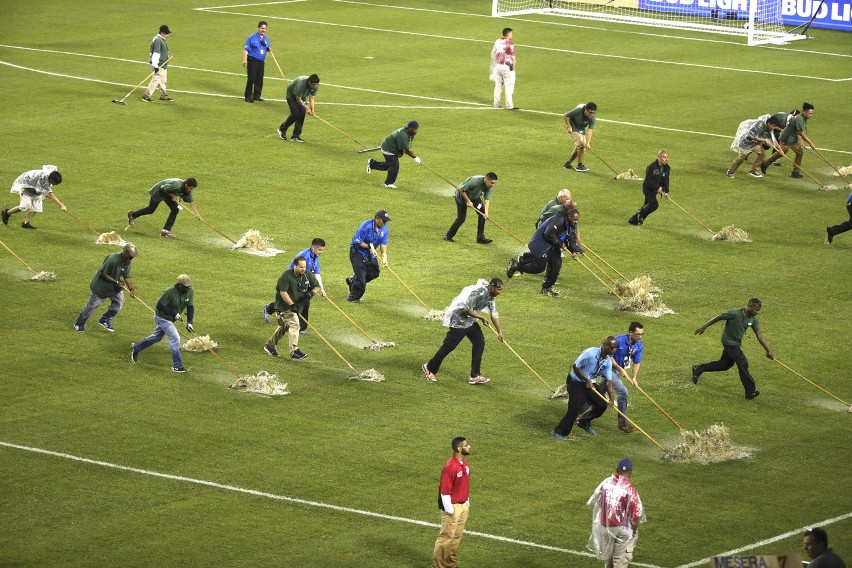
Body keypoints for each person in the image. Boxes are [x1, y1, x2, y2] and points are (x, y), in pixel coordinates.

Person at [422, 278, 504, 385]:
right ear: (492, 287)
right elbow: (467, 309)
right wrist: (481, 318)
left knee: (479, 342)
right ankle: (430, 368)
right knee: (449, 346)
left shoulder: (491, 297)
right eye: (499, 289)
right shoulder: (478, 292)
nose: (500, 292)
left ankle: (475, 375)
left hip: (470, 321)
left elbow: (494, 313)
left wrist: (500, 331)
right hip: (458, 320)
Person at [692, 298, 774, 400]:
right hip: (729, 342)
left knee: (725, 364)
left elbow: (759, 334)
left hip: (736, 343)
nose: (757, 312)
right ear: (750, 306)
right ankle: (750, 392)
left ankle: (699, 368)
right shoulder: (734, 313)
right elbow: (719, 317)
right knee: (743, 363)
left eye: (758, 311)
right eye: (756, 310)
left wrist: (768, 350)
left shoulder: (753, 318)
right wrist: (704, 327)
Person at [507, 206, 582, 297]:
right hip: (542, 243)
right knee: (539, 268)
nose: (576, 222)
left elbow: (571, 238)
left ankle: (546, 287)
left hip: (553, 245)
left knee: (556, 266)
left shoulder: (571, 224)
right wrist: (560, 243)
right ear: (569, 217)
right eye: (574, 220)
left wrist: (573, 251)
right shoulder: (559, 220)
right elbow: (548, 233)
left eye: (577, 220)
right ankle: (516, 266)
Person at [551, 337, 617, 440]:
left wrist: (611, 398)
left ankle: (584, 421)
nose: (614, 350)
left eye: (615, 348)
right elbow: (575, 366)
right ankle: (559, 432)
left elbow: (608, 382)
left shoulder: (607, 361)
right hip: (575, 381)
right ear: (605, 346)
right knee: (575, 407)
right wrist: (586, 380)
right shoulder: (590, 353)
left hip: (590, 383)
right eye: (612, 348)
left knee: (602, 405)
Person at [586, 458, 645, 568]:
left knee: (608, 561)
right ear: (631, 472)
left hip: (605, 527)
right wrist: (634, 530)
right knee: (620, 562)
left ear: (617, 469)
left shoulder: (606, 483)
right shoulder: (630, 490)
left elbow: (596, 498)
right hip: (623, 530)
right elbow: (636, 515)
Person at [131, 274, 195, 373]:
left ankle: (136, 347)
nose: (188, 288)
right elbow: (160, 306)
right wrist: (174, 313)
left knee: (157, 337)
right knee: (175, 338)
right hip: (162, 317)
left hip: (171, 319)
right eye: (186, 287)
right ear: (179, 285)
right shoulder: (169, 292)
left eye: (189, 286)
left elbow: (190, 307)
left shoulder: (190, 292)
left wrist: (190, 322)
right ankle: (177, 366)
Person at [263, 238, 326, 334]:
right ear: (313, 248)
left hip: (303, 280)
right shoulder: (304, 256)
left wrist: (321, 289)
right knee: (288, 302)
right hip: (292, 280)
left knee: (305, 302)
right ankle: (269, 308)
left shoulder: (315, 257)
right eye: (320, 250)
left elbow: (317, 274)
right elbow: (294, 271)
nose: (321, 252)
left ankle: (302, 328)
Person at [263, 256, 320, 360]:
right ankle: (294, 351)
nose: (303, 269)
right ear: (295, 266)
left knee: (285, 325)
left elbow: (317, 286)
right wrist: (291, 304)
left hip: (298, 305)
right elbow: (283, 292)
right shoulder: (286, 276)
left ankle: (270, 345)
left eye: (304, 267)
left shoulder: (307, 275)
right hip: (284, 305)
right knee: (295, 324)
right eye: (301, 267)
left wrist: (312, 293)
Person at [74, 243, 138, 333]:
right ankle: (79, 323)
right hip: (101, 287)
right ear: (125, 252)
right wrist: (116, 282)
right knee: (91, 307)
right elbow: (103, 274)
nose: (132, 258)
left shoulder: (127, 262)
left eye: (133, 256)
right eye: (131, 255)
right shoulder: (113, 259)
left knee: (118, 303)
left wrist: (131, 289)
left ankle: (104, 319)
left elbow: (126, 276)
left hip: (115, 288)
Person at [432, 437, 473, 568]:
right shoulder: (450, 466)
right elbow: (444, 490)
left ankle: (450, 564)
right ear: (459, 448)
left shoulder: (464, 464)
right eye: (467, 445)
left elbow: (463, 485)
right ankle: (438, 566)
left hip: (463, 506)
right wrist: (450, 509)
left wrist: (466, 501)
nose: (469, 447)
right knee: (445, 538)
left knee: (456, 538)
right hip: (453, 507)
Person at [127, 177, 201, 239]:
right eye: (190, 188)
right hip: (159, 192)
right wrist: (172, 196)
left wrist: (197, 214)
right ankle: (132, 215)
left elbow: (192, 203)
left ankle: (165, 231)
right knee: (150, 210)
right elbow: (162, 187)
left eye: (192, 189)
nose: (191, 190)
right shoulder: (177, 185)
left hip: (169, 194)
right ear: (186, 185)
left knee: (175, 209)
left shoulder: (187, 191)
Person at [605, 322, 645, 434]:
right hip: (608, 369)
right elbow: (609, 357)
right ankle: (623, 424)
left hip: (618, 371)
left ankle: (577, 413)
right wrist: (619, 368)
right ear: (630, 333)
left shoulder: (638, 345)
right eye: (638, 334)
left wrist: (634, 377)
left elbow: (637, 362)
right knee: (623, 392)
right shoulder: (618, 341)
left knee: (598, 392)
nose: (640, 337)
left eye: (642, 334)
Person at [761, 102, 816, 178]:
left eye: (811, 114)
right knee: (781, 153)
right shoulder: (799, 119)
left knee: (800, 152)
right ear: (804, 112)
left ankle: (795, 172)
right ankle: (765, 164)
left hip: (793, 138)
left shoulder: (804, 118)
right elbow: (802, 133)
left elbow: (799, 132)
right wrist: (810, 143)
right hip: (786, 138)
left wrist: (801, 141)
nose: (811, 115)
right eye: (809, 113)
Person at [346, 210, 390, 303]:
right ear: (377, 218)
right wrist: (369, 247)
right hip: (357, 252)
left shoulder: (384, 228)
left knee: (374, 272)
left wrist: (384, 256)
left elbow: (383, 243)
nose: (385, 223)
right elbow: (357, 241)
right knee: (361, 279)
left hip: (370, 253)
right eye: (384, 220)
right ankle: (353, 297)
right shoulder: (366, 226)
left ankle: (352, 280)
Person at [444, 172, 497, 244]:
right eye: (492, 183)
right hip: (461, 197)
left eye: (494, 183)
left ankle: (480, 238)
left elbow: (486, 200)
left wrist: (486, 213)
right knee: (461, 218)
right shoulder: (475, 181)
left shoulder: (489, 187)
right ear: (486, 180)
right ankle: (448, 236)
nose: (493, 185)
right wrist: (468, 201)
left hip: (474, 197)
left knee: (482, 214)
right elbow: (461, 190)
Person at [726, 114, 784, 178]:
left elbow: (774, 141)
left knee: (762, 155)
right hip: (746, 143)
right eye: (773, 126)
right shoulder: (759, 125)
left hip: (755, 144)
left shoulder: (771, 130)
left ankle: (753, 171)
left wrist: (780, 150)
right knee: (741, 159)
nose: (773, 128)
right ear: (768, 123)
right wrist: (764, 140)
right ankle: (730, 172)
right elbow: (751, 136)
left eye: (775, 127)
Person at [366, 121, 420, 189]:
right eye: (414, 129)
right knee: (394, 167)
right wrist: (415, 157)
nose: (415, 131)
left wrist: (404, 149)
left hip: (392, 147)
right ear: (409, 128)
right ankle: (388, 183)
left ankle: (372, 164)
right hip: (388, 149)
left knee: (390, 165)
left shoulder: (409, 132)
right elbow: (407, 150)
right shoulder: (403, 135)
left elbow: (405, 147)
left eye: (416, 129)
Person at [628, 151, 670, 226]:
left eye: (667, 157)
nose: (666, 159)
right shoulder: (651, 167)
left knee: (647, 205)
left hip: (655, 190)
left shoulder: (667, 168)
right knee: (654, 204)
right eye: (664, 157)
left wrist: (666, 192)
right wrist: (657, 188)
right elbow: (648, 181)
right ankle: (639, 214)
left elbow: (666, 180)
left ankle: (634, 220)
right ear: (659, 158)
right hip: (648, 189)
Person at [276, 74, 319, 142]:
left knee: (301, 114)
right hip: (292, 96)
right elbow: (298, 99)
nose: (314, 86)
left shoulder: (315, 86)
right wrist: (307, 108)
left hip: (303, 97)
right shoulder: (301, 84)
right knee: (295, 114)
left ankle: (295, 136)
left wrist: (312, 109)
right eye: (313, 84)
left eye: (316, 84)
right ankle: (282, 129)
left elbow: (312, 98)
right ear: (309, 82)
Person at [142, 25, 172, 102]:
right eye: (166, 33)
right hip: (159, 64)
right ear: (162, 33)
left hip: (163, 64)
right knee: (155, 80)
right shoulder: (158, 40)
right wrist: (155, 66)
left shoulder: (160, 39)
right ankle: (146, 96)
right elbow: (156, 53)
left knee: (163, 80)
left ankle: (163, 95)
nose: (167, 35)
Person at [563, 102, 597, 172]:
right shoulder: (578, 111)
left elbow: (590, 130)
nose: (591, 114)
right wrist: (569, 127)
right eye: (590, 112)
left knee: (581, 146)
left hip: (581, 129)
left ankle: (567, 164)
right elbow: (565, 115)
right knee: (580, 145)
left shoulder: (592, 117)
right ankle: (579, 165)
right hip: (573, 127)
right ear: (586, 110)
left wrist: (588, 143)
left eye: (593, 113)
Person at [242, 21, 270, 103]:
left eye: (265, 28)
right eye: (262, 28)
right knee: (251, 79)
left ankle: (256, 96)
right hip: (252, 61)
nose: (263, 30)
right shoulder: (251, 37)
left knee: (259, 79)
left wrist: (269, 49)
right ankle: (248, 96)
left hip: (261, 62)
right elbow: (245, 49)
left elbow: (267, 47)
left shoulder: (266, 38)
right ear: (258, 28)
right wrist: (244, 60)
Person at [490, 28, 517, 110]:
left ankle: (496, 104)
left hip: (498, 66)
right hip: (507, 67)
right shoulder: (509, 43)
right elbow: (513, 57)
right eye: (511, 33)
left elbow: (493, 53)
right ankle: (509, 106)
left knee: (498, 86)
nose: (512, 35)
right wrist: (514, 64)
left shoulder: (497, 41)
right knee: (509, 86)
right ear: (508, 34)